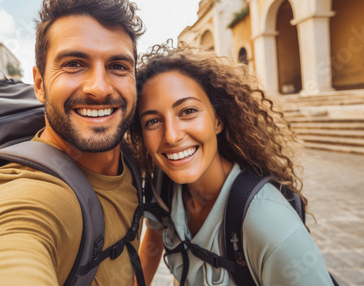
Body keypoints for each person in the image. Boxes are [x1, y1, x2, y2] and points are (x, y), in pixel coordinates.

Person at [0, 0, 144, 285]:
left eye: (118, 66)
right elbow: (10, 239)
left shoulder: (134, 161)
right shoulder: (31, 192)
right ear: (39, 84)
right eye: (74, 64)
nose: (100, 87)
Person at [129, 43, 334, 285]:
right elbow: (153, 240)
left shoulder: (270, 224)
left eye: (188, 111)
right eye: (153, 121)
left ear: (218, 120)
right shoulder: (162, 185)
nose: (171, 136)